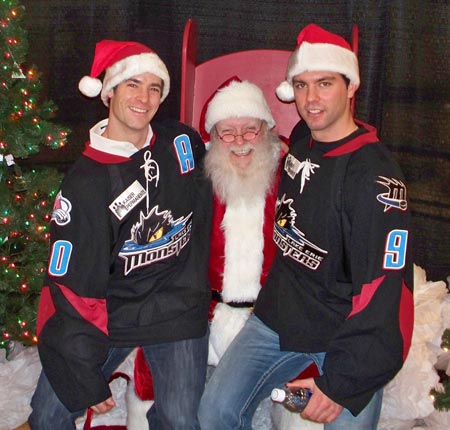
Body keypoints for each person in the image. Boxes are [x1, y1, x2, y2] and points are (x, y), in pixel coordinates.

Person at [198, 23, 414, 430]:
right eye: (301, 85)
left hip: (345, 334)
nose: (311, 99)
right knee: (214, 413)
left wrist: (340, 385)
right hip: (278, 318)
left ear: (351, 86)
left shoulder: (374, 179)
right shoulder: (301, 140)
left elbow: (388, 294)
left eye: (325, 83)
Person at [28, 39, 212, 429]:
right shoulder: (86, 184)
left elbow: (227, 164)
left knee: (182, 421)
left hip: (176, 305)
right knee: (49, 413)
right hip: (112, 311)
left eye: (154, 88)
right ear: (108, 91)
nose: (143, 98)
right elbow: (72, 288)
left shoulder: (180, 142)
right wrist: (82, 376)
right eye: (132, 85)